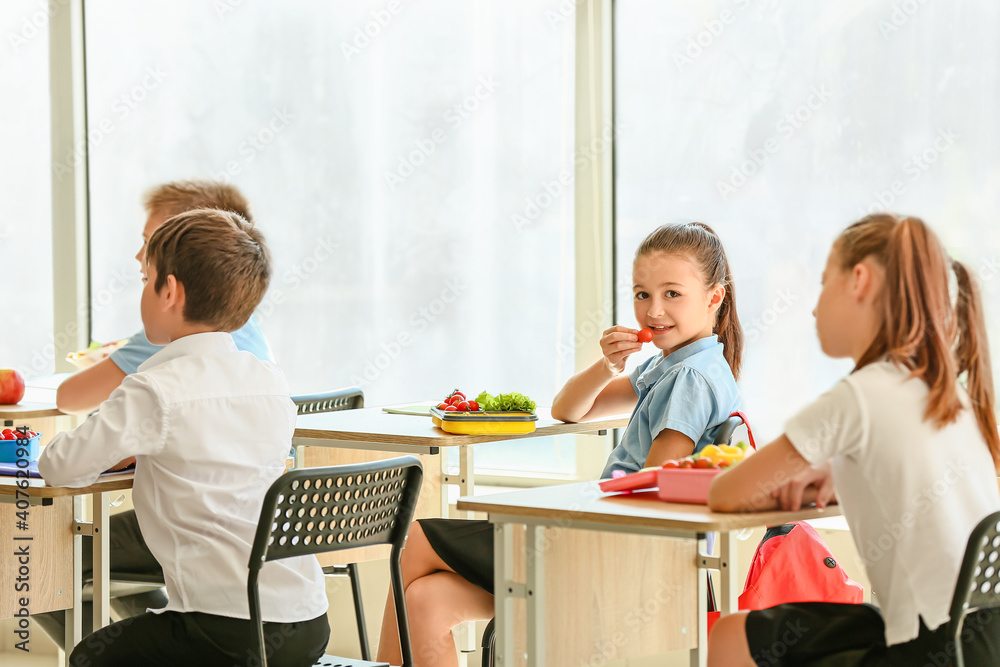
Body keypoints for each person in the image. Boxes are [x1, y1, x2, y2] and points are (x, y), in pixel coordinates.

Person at [376, 222, 744, 666]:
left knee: (415, 539)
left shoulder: (689, 376)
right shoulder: (678, 366)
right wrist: (607, 365)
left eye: (672, 294)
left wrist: (563, 506)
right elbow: (569, 409)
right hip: (609, 545)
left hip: (609, 552)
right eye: (642, 294)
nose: (654, 310)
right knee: (426, 601)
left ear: (714, 297)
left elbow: (651, 486)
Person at [39, 209, 330, 667]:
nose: (142, 289)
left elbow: (60, 466)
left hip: (227, 630)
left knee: (90, 656)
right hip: (306, 621)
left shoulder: (155, 389)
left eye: (145, 277)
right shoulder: (268, 379)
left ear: (169, 291)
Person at [706, 214, 1000, 666]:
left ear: (859, 280)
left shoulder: (859, 395)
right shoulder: (944, 390)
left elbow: (725, 494)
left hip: (929, 649)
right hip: (980, 639)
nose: (813, 307)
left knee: (730, 636)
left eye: (824, 283)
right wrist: (835, 470)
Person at [56, 179, 271, 416]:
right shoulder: (240, 321)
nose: (139, 256)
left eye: (150, 243)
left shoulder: (179, 331)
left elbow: (69, 398)